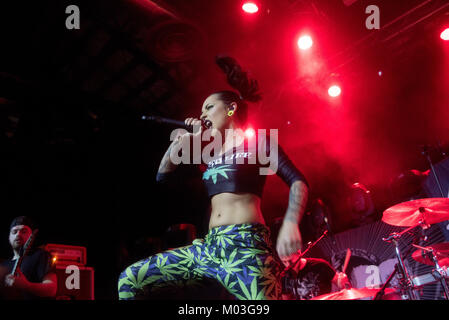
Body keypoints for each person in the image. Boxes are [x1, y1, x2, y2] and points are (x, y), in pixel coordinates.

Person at [117, 56, 309, 300]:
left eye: (209, 107)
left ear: (231, 108)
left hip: (246, 247)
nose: (202, 113)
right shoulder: (210, 154)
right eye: (201, 110)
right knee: (130, 279)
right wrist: (186, 142)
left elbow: (297, 180)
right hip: (208, 249)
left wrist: (291, 222)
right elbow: (162, 176)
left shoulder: (258, 142)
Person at [0, 216, 57, 300]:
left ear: (31, 236)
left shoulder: (41, 255)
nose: (18, 234)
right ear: (9, 237)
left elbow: (51, 289)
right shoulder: (3, 265)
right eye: (14, 232)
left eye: (23, 231)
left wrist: (27, 285)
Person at [280, 253, 350, 300]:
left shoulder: (320, 265)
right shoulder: (285, 277)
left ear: (299, 252)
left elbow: (341, 283)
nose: (289, 264)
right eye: (284, 262)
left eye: (291, 260)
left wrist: (344, 282)